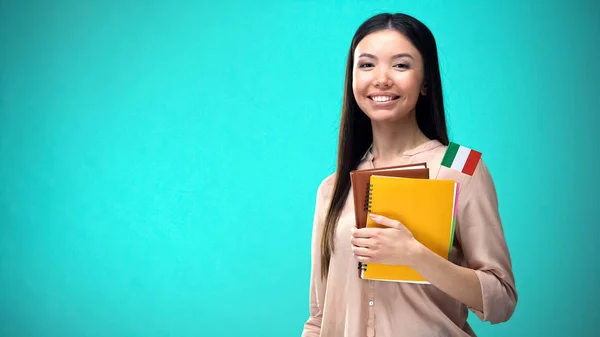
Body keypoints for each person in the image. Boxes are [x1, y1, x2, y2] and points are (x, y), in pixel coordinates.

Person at [301, 13, 517, 337]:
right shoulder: (333, 188)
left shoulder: (460, 166)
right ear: (351, 78)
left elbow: (501, 301)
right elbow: (318, 320)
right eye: (367, 65)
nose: (382, 79)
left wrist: (415, 255)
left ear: (426, 81)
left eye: (401, 65)